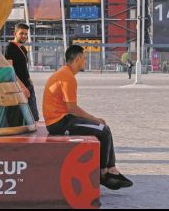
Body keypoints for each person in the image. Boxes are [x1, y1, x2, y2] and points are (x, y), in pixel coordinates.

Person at [43, 45, 133, 190]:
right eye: (84, 59)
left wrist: (93, 120)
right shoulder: (67, 77)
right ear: (77, 59)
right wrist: (94, 119)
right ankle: (103, 173)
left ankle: (111, 169)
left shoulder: (64, 74)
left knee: (105, 129)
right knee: (103, 130)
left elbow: (70, 109)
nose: (85, 62)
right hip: (59, 123)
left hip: (62, 119)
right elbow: (72, 109)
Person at [4, 23, 39, 121]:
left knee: (34, 117)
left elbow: (22, 67)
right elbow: (10, 69)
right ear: (15, 33)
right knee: (24, 118)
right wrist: (22, 87)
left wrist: (29, 79)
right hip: (19, 87)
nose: (24, 36)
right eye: (21, 33)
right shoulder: (9, 48)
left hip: (27, 85)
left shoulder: (23, 48)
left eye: (26, 34)